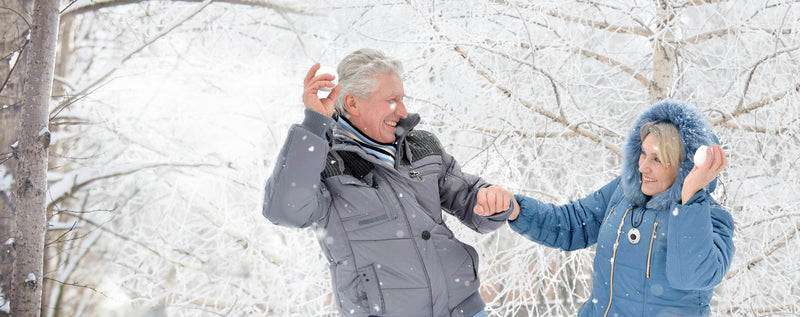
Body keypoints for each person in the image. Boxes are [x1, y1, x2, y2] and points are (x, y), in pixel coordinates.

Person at [262, 48, 514, 317]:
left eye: (402, 99)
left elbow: (469, 198)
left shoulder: (421, 147)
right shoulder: (324, 161)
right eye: (392, 100)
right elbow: (285, 210)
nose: (403, 111)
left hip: (463, 308)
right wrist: (313, 126)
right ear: (353, 103)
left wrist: (491, 201)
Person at [477, 100, 735, 316]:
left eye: (657, 159)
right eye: (643, 153)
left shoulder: (712, 219)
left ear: (685, 166)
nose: (643, 166)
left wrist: (689, 200)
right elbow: (571, 224)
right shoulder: (623, 194)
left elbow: (690, 276)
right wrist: (516, 209)